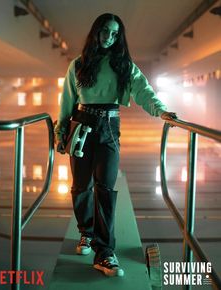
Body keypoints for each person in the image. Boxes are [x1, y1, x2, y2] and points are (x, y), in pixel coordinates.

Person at [55, 13, 177, 277]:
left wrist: (162, 111)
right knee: (80, 185)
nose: (109, 37)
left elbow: (143, 90)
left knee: (106, 188)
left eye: (114, 33)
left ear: (118, 36)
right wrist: (60, 130)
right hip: (81, 124)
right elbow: (66, 101)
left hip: (109, 128)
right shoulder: (79, 64)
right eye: (105, 32)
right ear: (95, 32)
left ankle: (105, 252)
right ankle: (86, 233)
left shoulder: (124, 65)